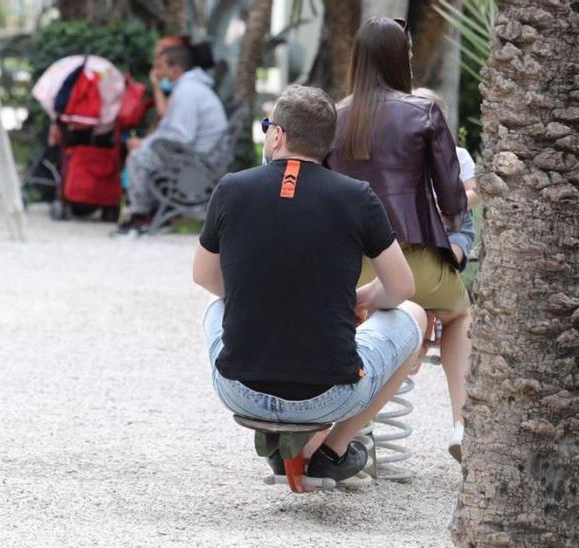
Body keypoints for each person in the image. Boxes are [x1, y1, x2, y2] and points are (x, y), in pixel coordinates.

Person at [195, 85, 428, 482]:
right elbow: (402, 287)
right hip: (328, 397)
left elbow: (203, 275)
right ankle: (333, 453)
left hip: (240, 388)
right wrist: (359, 299)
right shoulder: (358, 197)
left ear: (278, 135)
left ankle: (281, 436)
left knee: (216, 307)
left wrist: (256, 297)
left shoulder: (231, 188)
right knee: (415, 315)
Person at [325, 18, 471, 462]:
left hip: (351, 266)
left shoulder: (333, 117)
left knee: (359, 323)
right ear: (398, 58)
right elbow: (451, 199)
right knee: (460, 313)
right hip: (415, 265)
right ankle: (462, 422)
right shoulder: (423, 113)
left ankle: (347, 434)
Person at [409, 86, 477, 460]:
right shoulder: (408, 157)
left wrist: (447, 203)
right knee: (458, 310)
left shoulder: (455, 155)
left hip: (443, 232)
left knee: (459, 234)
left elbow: (471, 192)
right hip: (421, 246)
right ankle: (462, 420)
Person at [113, 45, 227, 239]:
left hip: (197, 163)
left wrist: (144, 146)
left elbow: (181, 136)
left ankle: (141, 215)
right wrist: (146, 142)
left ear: (176, 69)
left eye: (160, 67)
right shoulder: (191, 88)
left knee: (138, 158)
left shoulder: (187, 92)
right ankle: (145, 213)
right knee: (142, 151)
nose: (156, 72)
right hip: (202, 158)